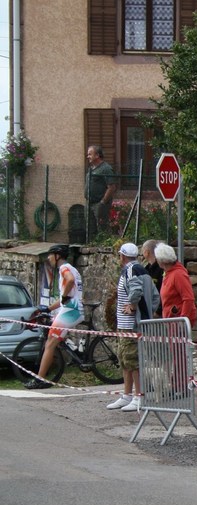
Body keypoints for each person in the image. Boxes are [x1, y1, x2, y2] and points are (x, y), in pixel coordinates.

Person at [23, 245, 83, 389]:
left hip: (71, 311)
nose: (49, 258)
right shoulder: (73, 269)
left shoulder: (64, 268)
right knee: (52, 340)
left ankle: (40, 379)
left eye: (50, 255)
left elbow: (69, 282)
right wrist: (48, 308)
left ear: (57, 256)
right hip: (72, 309)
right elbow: (65, 298)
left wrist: (64, 296)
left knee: (50, 343)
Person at [105, 243, 148, 412]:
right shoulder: (135, 269)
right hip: (125, 324)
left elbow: (136, 290)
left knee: (132, 360)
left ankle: (138, 396)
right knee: (124, 359)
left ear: (122, 256)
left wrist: (132, 305)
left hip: (130, 324)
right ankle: (127, 395)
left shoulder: (131, 270)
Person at [155, 243, 196, 324]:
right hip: (172, 320)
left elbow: (188, 298)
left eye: (157, 258)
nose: (156, 260)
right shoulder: (168, 273)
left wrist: (182, 320)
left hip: (178, 321)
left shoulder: (178, 274)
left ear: (162, 260)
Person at [86, 145, 117, 236]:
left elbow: (111, 187)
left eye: (90, 154)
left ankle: (104, 243)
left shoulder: (106, 169)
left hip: (99, 204)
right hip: (89, 203)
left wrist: (103, 202)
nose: (88, 156)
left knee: (102, 228)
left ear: (97, 155)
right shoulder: (91, 168)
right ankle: (91, 244)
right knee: (90, 229)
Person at [141, 239, 164, 316]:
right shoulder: (146, 269)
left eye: (143, 250)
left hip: (159, 312)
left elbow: (163, 290)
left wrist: (158, 311)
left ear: (147, 252)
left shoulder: (161, 268)